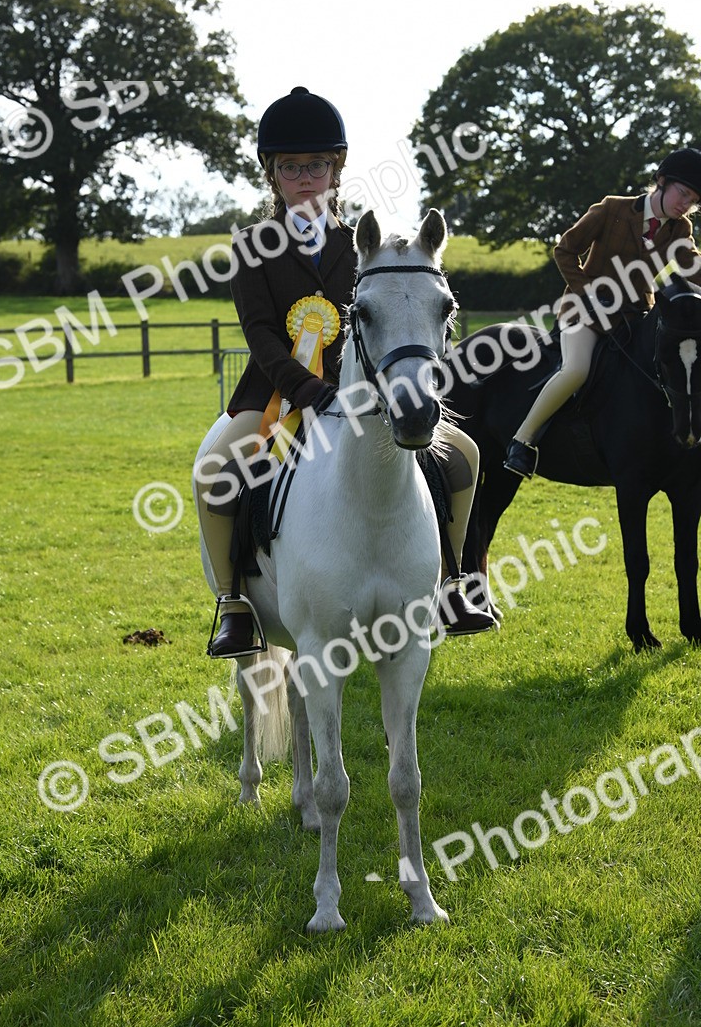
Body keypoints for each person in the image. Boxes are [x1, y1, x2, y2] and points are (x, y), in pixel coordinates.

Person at [194, 86, 494, 657]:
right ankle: (233, 603)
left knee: (464, 456)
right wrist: (305, 390)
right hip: (276, 394)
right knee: (215, 469)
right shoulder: (250, 246)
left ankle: (455, 581)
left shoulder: (363, 243)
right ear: (272, 174)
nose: (305, 179)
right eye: (291, 168)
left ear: (337, 169)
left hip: (364, 393)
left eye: (317, 166)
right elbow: (258, 332)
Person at [504, 147, 701, 479]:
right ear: (662, 182)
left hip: (635, 316)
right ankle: (522, 442)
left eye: (694, 200)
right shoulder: (613, 209)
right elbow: (565, 250)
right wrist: (588, 290)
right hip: (585, 312)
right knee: (576, 370)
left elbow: (694, 269)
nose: (686, 204)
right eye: (683, 193)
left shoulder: (679, 230)